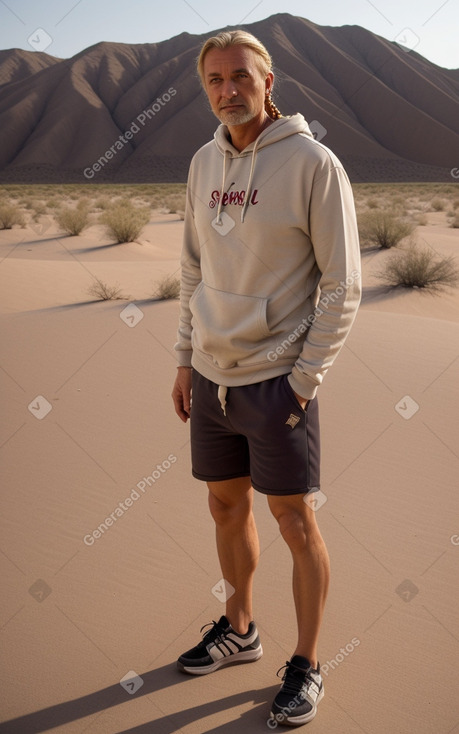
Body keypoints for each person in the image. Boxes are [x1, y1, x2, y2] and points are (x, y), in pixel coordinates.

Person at [171, 29, 361, 727]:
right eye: (214, 80)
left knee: (292, 519)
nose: (227, 90)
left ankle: (307, 664)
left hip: (277, 381)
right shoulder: (201, 163)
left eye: (240, 77)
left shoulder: (312, 164)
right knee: (224, 509)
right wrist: (185, 358)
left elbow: (343, 286)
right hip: (212, 377)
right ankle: (241, 629)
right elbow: (193, 269)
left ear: (268, 80)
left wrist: (302, 383)